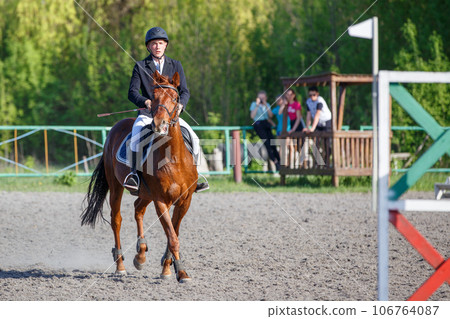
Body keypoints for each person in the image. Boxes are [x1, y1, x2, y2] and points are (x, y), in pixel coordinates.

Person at [125, 26, 209, 194]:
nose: (157, 46)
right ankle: (134, 175)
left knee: (194, 138)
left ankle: (196, 175)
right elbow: (132, 92)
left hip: (170, 115)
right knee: (135, 137)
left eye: (161, 43)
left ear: (165, 46)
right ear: (148, 46)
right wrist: (146, 101)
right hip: (148, 115)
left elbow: (184, 91)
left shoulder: (175, 64)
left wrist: (180, 105)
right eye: (154, 43)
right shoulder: (140, 66)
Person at [250, 91, 280, 171]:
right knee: (267, 143)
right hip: (258, 124)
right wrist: (257, 105)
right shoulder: (254, 104)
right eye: (260, 98)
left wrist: (266, 105)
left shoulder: (267, 105)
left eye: (263, 98)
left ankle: (280, 161)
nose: (261, 100)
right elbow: (252, 116)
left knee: (273, 143)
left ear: (265, 98)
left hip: (266, 124)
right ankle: (275, 162)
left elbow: (270, 116)